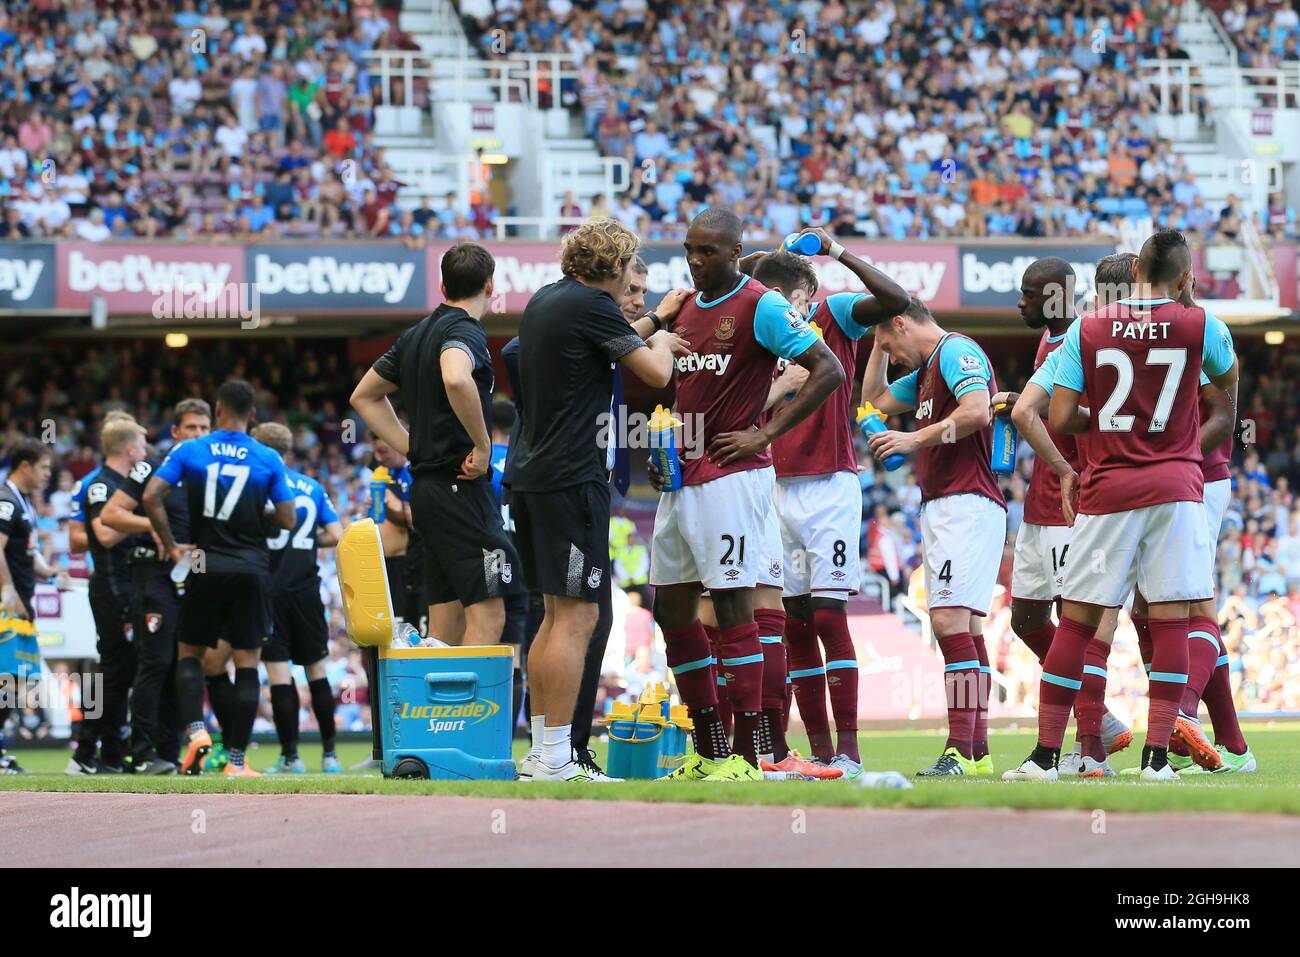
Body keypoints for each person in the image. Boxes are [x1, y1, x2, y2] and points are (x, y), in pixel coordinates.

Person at [1005, 229, 1238, 782]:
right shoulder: (1203, 325)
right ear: (1184, 279)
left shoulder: (1086, 328)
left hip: (1108, 489)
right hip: (1178, 490)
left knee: (1078, 623)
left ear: (1135, 273)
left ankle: (1045, 758)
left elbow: (1058, 418)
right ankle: (1157, 761)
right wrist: (1171, 433)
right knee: (1172, 621)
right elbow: (1225, 400)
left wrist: (1110, 426)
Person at [650, 207, 845, 781]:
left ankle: (750, 755)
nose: (693, 259)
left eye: (706, 251)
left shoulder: (761, 303)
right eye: (689, 248)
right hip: (680, 476)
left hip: (733, 477)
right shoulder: (681, 307)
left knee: (735, 604)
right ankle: (710, 750)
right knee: (671, 606)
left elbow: (827, 368)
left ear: (734, 253)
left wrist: (766, 432)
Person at [508, 219, 690, 782]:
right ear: (612, 265)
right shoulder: (591, 304)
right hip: (571, 476)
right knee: (579, 616)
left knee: (552, 617)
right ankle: (560, 756)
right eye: (628, 268)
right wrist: (661, 335)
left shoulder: (547, 300)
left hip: (534, 476)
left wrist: (651, 319)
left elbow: (604, 346)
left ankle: (543, 752)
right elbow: (656, 371)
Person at [753, 229, 909, 781]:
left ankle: (850, 749)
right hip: (774, 483)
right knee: (793, 622)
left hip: (830, 487)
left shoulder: (833, 311)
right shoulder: (757, 324)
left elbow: (897, 301)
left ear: (800, 294)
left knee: (826, 613)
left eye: (772, 297)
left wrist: (837, 252)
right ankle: (818, 754)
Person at [861, 298, 1006, 777]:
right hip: (948, 505)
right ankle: (977, 751)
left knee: (947, 623)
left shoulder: (954, 351)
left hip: (965, 503)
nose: (890, 353)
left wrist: (912, 440)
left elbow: (978, 412)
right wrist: (877, 344)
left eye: (888, 342)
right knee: (964, 628)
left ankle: (960, 750)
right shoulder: (924, 372)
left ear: (902, 324)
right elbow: (875, 400)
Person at [352, 241, 522, 648]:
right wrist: (482, 447)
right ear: (490, 284)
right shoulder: (465, 329)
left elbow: (363, 396)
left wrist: (412, 447)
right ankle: (468, 714)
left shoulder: (414, 335)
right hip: (459, 487)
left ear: (442, 287)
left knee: (444, 624)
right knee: (489, 612)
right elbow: (456, 377)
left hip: (426, 491)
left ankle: (435, 714)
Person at [1003, 256, 1133, 777]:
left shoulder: (1083, 336)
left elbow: (1093, 416)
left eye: (1030, 293)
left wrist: (1064, 469)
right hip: (1040, 504)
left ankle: (1088, 749)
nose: (1021, 302)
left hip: (1071, 501)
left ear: (1054, 293)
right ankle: (1097, 719)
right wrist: (1021, 400)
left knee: (1075, 621)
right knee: (1027, 619)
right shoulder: (1051, 340)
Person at [142, 379, 296, 777]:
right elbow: (287, 519)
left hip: (204, 563)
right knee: (246, 665)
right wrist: (258, 513)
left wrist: (171, 544)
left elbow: (151, 496)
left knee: (189, 653)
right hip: (252, 568)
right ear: (253, 415)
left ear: (217, 410)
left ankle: (195, 732)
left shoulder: (192, 449)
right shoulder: (267, 457)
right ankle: (238, 764)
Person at [100, 398, 213, 775]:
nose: (198, 434)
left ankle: (171, 751)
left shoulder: (212, 469)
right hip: (152, 572)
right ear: (176, 432)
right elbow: (112, 514)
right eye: (191, 428)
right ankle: (143, 753)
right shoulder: (154, 465)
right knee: (156, 661)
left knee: (184, 662)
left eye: (203, 427)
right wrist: (156, 529)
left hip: (194, 574)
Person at [251, 423, 344, 775]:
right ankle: (330, 755)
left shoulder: (258, 485)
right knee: (316, 671)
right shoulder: (312, 486)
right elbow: (337, 534)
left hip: (269, 593)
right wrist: (305, 542)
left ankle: (291, 757)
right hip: (307, 591)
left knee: (278, 675)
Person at [66, 413, 149, 774]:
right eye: (143, 446)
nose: (147, 452)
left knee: (121, 671)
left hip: (124, 583)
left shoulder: (123, 483)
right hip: (112, 585)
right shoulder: (101, 486)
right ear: (130, 449)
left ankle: (111, 753)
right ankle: (85, 751)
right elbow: (103, 534)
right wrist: (149, 525)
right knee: (113, 671)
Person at [0, 440, 65, 774]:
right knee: (6, 681)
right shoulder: (6, 502)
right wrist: (9, 592)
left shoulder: (24, 503)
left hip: (21, 609)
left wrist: (52, 572)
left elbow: (30, 552)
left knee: (17, 681)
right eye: (43, 467)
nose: (47, 474)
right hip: (7, 609)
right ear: (24, 465)